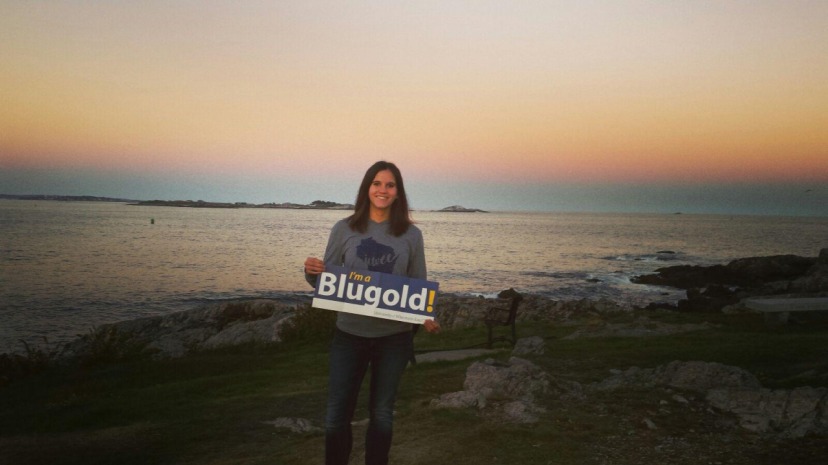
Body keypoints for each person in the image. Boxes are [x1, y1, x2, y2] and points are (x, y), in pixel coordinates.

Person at [304, 161, 440, 465]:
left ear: (397, 193)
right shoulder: (344, 228)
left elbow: (417, 284)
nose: (383, 190)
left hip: (394, 339)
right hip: (349, 335)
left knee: (382, 416)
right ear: (368, 188)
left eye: (390, 185)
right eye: (377, 183)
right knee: (336, 417)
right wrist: (311, 272)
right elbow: (325, 279)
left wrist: (426, 314)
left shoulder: (411, 235)